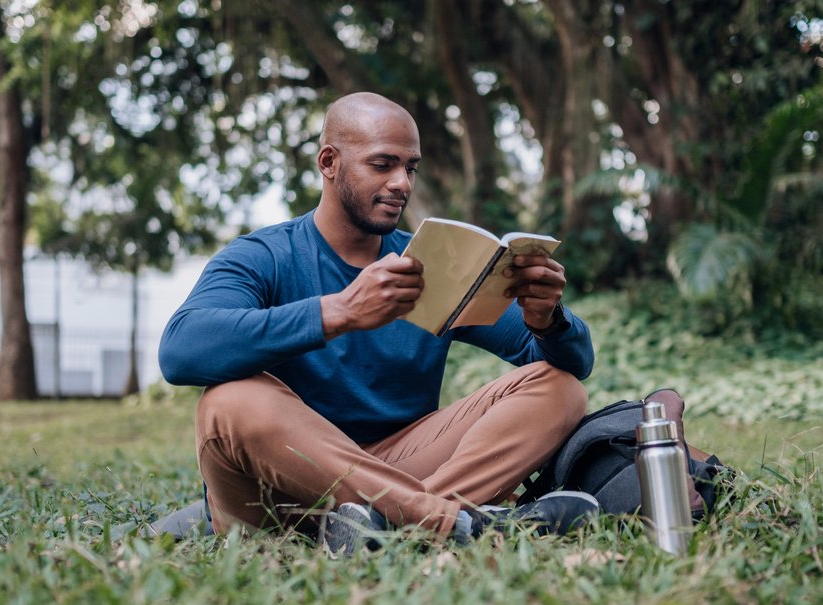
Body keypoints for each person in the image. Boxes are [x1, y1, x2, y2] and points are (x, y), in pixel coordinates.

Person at [157, 92, 598, 553]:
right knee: (230, 400)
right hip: (274, 495)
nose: (401, 183)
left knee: (559, 387)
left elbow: (573, 362)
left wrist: (547, 319)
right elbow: (180, 351)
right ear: (329, 162)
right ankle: (444, 522)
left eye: (410, 167)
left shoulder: (432, 264)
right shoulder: (264, 256)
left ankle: (383, 527)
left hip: (398, 465)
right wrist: (340, 311)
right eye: (382, 164)